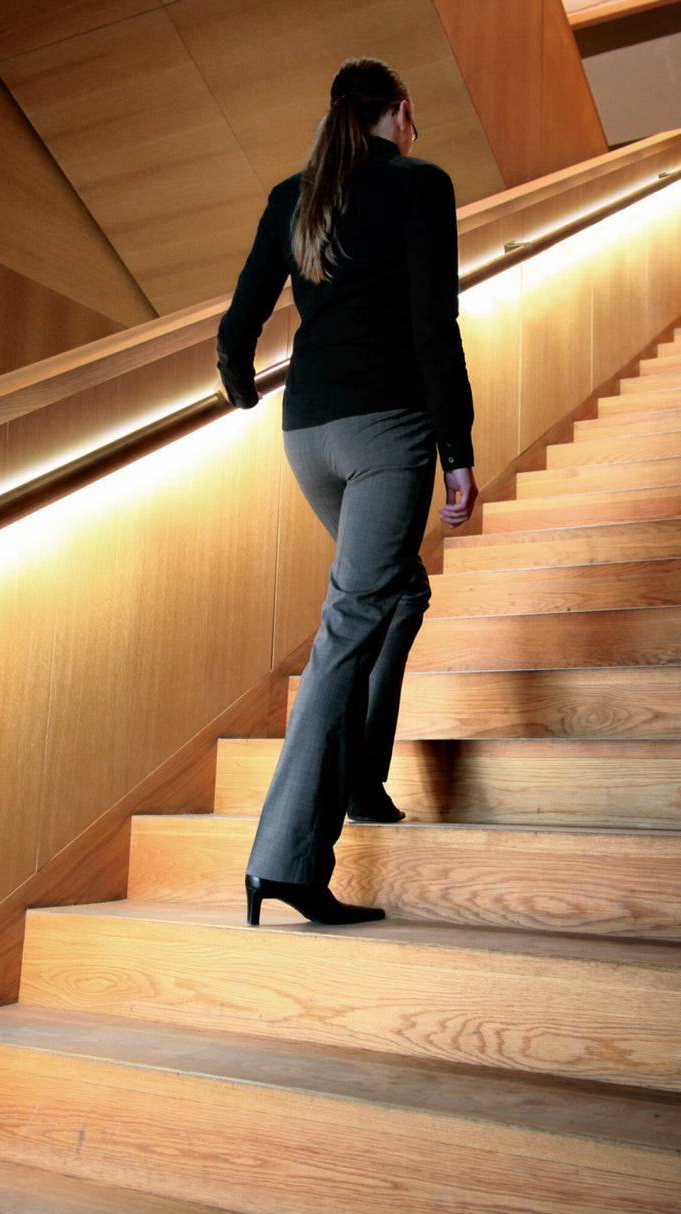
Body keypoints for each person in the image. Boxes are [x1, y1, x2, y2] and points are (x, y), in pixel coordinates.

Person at [217, 57, 477, 927]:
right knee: (347, 630)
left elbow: (238, 321)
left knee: (397, 593)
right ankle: (284, 860)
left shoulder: (296, 194)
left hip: (308, 435)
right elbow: (432, 324)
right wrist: (458, 450)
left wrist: (241, 382)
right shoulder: (419, 186)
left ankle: (360, 779)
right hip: (382, 438)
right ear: (399, 112)